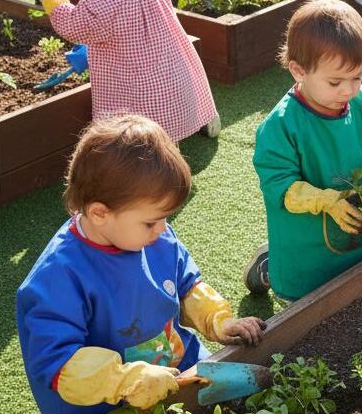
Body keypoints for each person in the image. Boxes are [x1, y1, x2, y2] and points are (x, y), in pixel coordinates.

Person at [17, 115, 266, 414]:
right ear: (99, 214)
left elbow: (187, 285)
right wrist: (127, 381)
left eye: (165, 218)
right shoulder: (56, 278)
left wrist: (217, 319)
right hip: (110, 400)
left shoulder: (151, 236)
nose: (163, 230)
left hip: (177, 372)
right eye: (151, 221)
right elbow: (57, 363)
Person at [244, 0, 362, 301]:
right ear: (298, 71)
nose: (349, 90)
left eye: (357, 76)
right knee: (310, 310)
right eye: (336, 81)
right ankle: (269, 267)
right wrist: (328, 201)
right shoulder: (281, 126)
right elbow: (281, 186)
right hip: (309, 250)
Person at [37, 0, 220, 142]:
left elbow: (74, 24)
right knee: (179, 99)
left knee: (139, 130)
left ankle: (153, 151)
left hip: (137, 86)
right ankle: (203, 117)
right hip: (170, 71)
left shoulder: (108, 0)